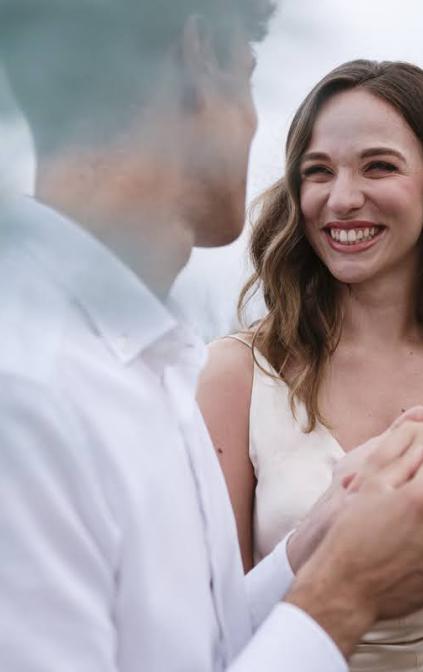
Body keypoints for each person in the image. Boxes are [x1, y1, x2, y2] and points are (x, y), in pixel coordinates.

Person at [2, 5, 423, 668]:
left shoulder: (156, 367)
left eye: (377, 168)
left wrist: (317, 540)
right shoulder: (25, 395)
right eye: (251, 76)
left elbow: (198, 650)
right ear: (205, 55)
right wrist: (344, 593)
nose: (339, 198)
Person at [198, 58, 423, 670]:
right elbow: (205, 634)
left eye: (379, 166)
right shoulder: (236, 377)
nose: (342, 199)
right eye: (317, 172)